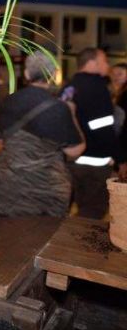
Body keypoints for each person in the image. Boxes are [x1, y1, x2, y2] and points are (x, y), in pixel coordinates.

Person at [0, 52, 84, 217]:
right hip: (46, 194)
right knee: (41, 233)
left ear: (26, 74)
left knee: (4, 232)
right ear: (53, 75)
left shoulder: (8, 102)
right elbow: (74, 151)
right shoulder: (59, 108)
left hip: (5, 188)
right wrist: (72, 113)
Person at [61, 48, 125, 219]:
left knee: (67, 207)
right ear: (92, 63)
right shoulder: (97, 87)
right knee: (93, 210)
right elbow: (103, 128)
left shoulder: (68, 87)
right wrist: (120, 159)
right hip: (95, 163)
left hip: (69, 161)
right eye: (104, 61)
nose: (107, 65)